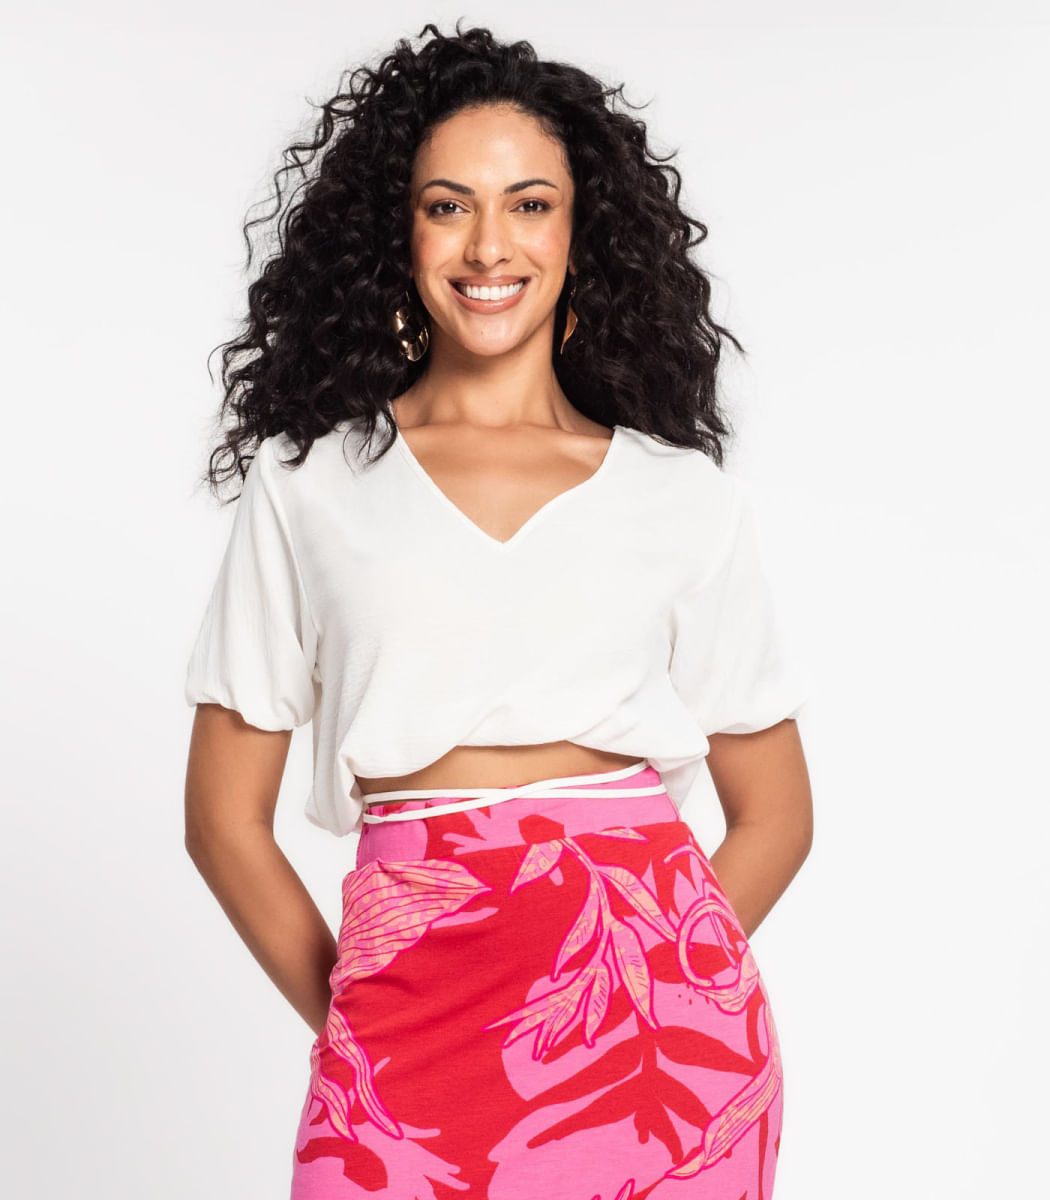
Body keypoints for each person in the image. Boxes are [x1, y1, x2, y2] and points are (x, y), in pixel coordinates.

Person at [183, 22, 814, 1200]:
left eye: (530, 204)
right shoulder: (310, 483)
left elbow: (777, 812)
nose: (488, 245)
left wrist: (652, 979)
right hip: (405, 1023)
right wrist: (358, 1025)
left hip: (660, 1052)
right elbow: (223, 820)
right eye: (447, 206)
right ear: (399, 231)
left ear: (581, 231)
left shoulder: (678, 494)